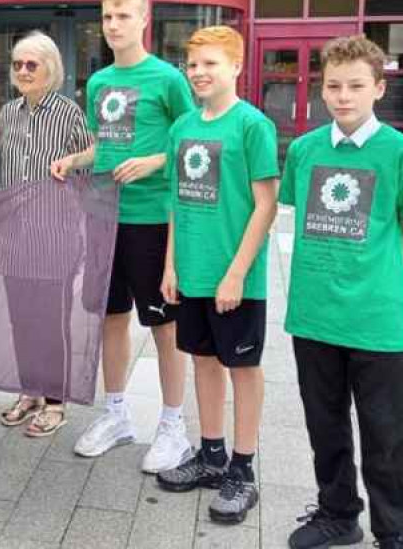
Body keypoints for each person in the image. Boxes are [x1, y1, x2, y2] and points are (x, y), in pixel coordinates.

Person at [281, 35, 403, 549]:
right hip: (313, 314)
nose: (342, 95)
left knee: (386, 436)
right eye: (333, 85)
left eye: (355, 86)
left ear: (378, 87)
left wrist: (382, 280)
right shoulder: (304, 151)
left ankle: (395, 530)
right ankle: (338, 513)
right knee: (325, 426)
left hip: (376, 321)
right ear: (321, 89)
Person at [51, 0, 196, 469]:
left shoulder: (169, 80)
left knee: (162, 324)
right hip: (104, 215)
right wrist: (75, 159)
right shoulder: (98, 82)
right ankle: (116, 414)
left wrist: (156, 161)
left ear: (143, 19)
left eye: (123, 16)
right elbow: (105, 145)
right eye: (107, 17)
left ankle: (174, 425)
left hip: (152, 217)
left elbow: (194, 143)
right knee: (110, 317)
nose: (113, 25)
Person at [156, 26, 278, 525]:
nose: (200, 73)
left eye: (210, 64)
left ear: (236, 67)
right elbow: (175, 200)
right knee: (204, 361)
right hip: (193, 271)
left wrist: (237, 273)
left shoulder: (252, 125)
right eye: (193, 65)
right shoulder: (182, 126)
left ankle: (243, 469)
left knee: (242, 369)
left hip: (235, 277)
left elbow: (266, 204)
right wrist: (170, 264)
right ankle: (210, 455)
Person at [0, 30, 91, 438]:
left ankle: (55, 401)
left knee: (52, 320)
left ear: (51, 68)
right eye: (17, 64)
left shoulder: (69, 112)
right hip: (14, 233)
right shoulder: (7, 113)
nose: (23, 71)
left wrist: (72, 161)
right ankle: (29, 389)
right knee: (21, 319)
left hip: (55, 234)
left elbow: (92, 159)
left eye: (32, 64)